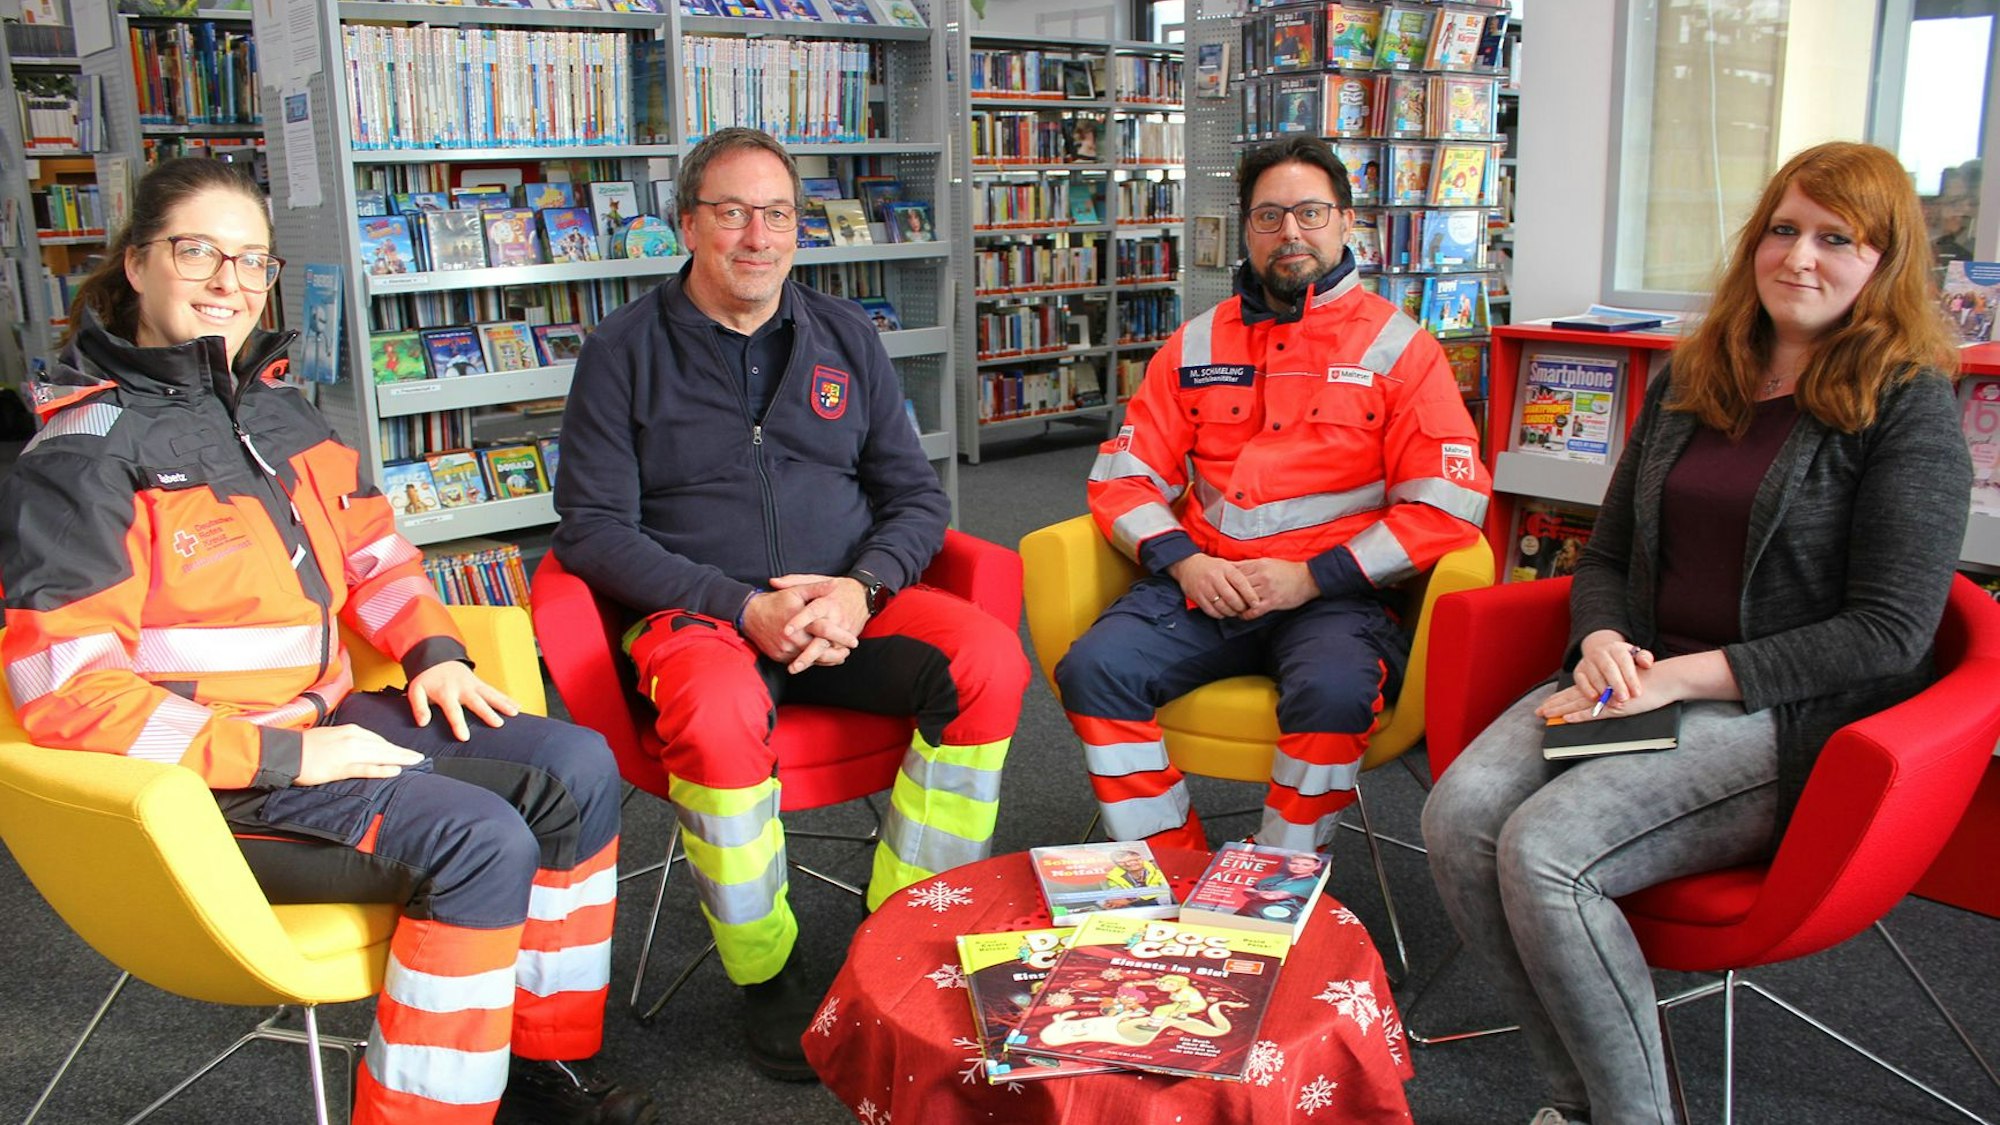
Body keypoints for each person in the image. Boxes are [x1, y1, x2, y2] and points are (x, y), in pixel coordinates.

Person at [0, 158, 656, 1125]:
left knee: (576, 762)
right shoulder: (82, 455)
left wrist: (432, 650)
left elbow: (375, 555)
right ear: (136, 264)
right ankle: (426, 1111)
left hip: (325, 718)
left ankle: (533, 1059)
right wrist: (290, 753)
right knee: (479, 839)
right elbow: (68, 696)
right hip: (209, 782)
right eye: (199, 252)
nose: (230, 281)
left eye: (251, 261)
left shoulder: (276, 405)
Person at [1421, 141, 1972, 1125]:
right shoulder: (1693, 376)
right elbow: (1603, 560)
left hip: (1782, 713)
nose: (1798, 258)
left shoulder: (1905, 407)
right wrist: (1596, 643)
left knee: (1548, 849)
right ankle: (1576, 1101)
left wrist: (1684, 680)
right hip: (1633, 680)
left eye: (1835, 240)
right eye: (1782, 229)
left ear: (1883, 264)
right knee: (1456, 817)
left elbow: (1888, 633)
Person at [552, 127, 1029, 1080]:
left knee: (989, 662)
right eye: (731, 212)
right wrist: (738, 604)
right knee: (719, 711)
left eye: (776, 213)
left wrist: (864, 586)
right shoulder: (621, 352)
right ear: (687, 224)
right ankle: (762, 968)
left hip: (848, 600)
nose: (757, 236)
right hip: (700, 615)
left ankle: (902, 925)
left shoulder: (847, 336)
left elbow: (917, 497)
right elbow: (591, 531)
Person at [1054, 135, 1491, 854]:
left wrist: (1311, 577)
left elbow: (1446, 504)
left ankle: (1277, 882)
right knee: (1095, 670)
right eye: (1269, 216)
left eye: (1310, 212)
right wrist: (1186, 563)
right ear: (1248, 230)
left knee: (1333, 695)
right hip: (1206, 581)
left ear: (1347, 223)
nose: (1290, 232)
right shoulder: (1195, 343)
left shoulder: (1402, 349)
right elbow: (1124, 477)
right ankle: (1172, 864)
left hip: (1335, 595)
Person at [1238, 850, 1325, 920]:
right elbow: (1246, 890)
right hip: (1244, 914)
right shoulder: (1277, 877)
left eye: (1306, 865)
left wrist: (1256, 893)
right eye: (1294, 863)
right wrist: (1259, 893)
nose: (1298, 867)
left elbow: (1272, 896)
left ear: (1317, 866)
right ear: (1288, 864)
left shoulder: (1313, 883)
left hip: (1269, 920)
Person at [1098, 848, 1168, 909]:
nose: (1128, 864)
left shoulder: (1157, 867)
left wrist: (1129, 899)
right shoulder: (1114, 875)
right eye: (1121, 862)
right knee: (1102, 901)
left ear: (1140, 858)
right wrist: (1109, 902)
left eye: (1133, 860)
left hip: (1161, 902)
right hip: (1135, 906)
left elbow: (1164, 888)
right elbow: (1117, 890)